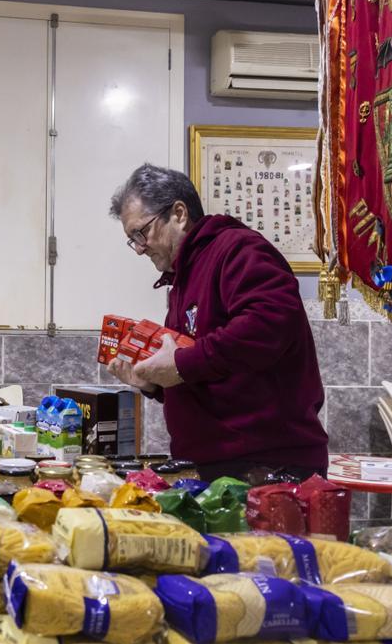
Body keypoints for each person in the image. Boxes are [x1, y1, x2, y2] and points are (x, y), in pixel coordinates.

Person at [106, 163, 328, 483]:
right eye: (133, 240)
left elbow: (268, 324)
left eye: (142, 232)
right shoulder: (183, 276)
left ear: (179, 214)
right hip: (220, 464)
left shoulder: (237, 249)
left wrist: (180, 363)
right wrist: (152, 382)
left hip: (266, 468)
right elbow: (213, 373)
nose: (139, 248)